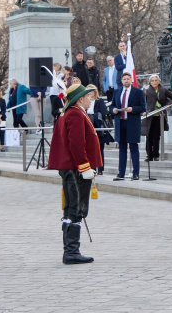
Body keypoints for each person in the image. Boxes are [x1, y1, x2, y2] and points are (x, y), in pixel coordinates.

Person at [48, 83, 102, 264]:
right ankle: (71, 251)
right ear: (80, 99)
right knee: (76, 209)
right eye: (87, 97)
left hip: (71, 169)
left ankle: (70, 250)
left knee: (71, 208)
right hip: (76, 170)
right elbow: (76, 145)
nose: (90, 99)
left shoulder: (69, 113)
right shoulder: (75, 114)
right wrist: (85, 167)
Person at [112, 72, 145, 181]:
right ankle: (121, 173)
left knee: (134, 148)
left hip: (132, 122)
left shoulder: (138, 92)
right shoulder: (117, 92)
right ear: (121, 81)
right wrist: (113, 110)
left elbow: (142, 107)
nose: (126, 81)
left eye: (128, 79)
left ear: (131, 80)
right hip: (120, 122)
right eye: (124, 79)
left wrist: (133, 109)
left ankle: (136, 173)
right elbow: (112, 105)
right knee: (122, 148)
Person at [141, 74, 172, 162]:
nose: (154, 82)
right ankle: (149, 155)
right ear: (150, 82)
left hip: (159, 116)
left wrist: (168, 105)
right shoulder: (146, 91)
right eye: (152, 81)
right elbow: (142, 103)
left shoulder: (163, 89)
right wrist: (144, 112)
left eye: (156, 80)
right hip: (150, 116)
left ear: (159, 81)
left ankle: (156, 155)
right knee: (149, 136)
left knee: (156, 136)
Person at [85, 84, 111, 175]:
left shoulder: (99, 101)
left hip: (98, 126)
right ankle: (92, 168)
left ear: (95, 92)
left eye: (91, 91)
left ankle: (100, 169)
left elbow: (103, 113)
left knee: (100, 149)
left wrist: (95, 116)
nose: (90, 93)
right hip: (88, 126)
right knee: (90, 149)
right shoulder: (84, 101)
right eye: (88, 91)